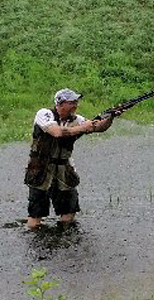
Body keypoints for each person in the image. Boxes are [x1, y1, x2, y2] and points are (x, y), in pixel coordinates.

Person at [24, 88, 116, 229]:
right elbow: (57, 132)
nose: (75, 105)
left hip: (64, 169)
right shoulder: (45, 114)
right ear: (60, 104)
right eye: (71, 102)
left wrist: (111, 117)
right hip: (40, 168)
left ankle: (65, 239)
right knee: (36, 214)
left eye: (76, 102)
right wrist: (83, 128)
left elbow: (97, 128)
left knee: (69, 212)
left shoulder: (77, 120)